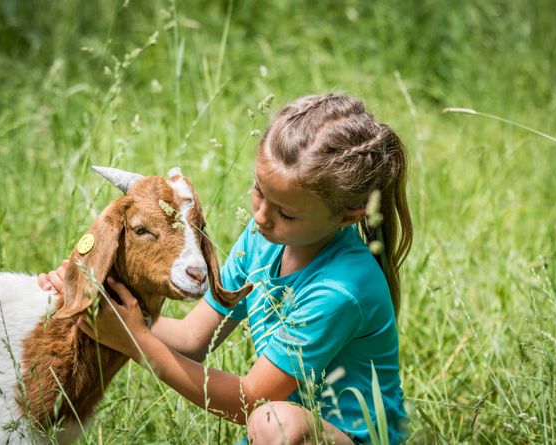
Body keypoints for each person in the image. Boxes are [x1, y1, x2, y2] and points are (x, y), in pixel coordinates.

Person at [39, 93, 412, 444]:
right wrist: (97, 307)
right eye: (258, 191)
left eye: (286, 213)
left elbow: (252, 400)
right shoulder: (266, 240)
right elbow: (192, 338)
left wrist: (136, 341)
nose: (261, 216)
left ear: (349, 215)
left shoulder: (342, 289)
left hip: (342, 438)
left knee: (274, 423)